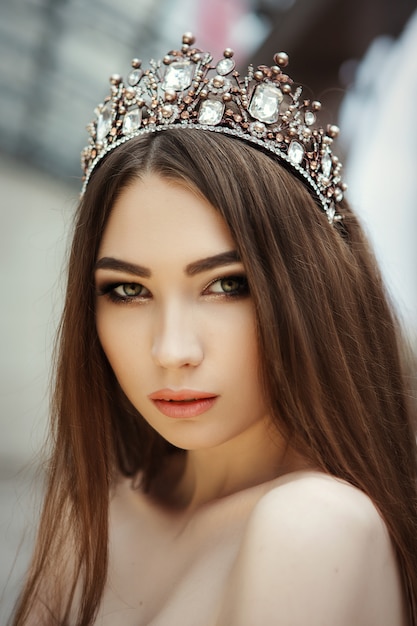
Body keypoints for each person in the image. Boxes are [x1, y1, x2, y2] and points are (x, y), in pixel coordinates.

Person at [11, 33, 417, 625]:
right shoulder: (91, 514)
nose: (172, 350)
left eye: (228, 284)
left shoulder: (311, 526)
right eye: (127, 290)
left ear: (309, 292)